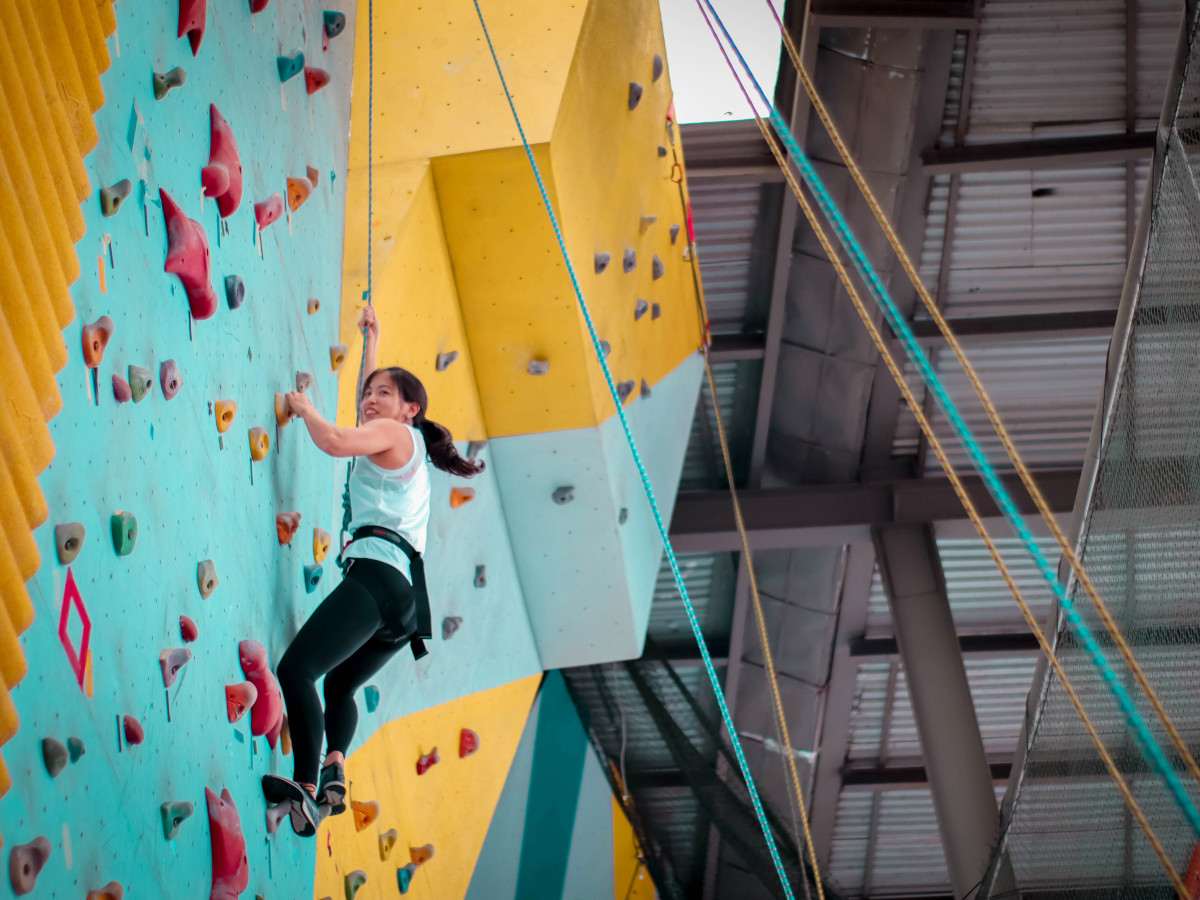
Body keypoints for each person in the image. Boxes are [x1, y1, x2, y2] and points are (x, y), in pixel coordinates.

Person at [262, 306, 484, 836]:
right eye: (370, 393)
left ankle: (307, 789)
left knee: (297, 671)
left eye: (383, 394)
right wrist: (373, 341)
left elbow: (337, 441)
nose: (370, 399)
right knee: (339, 687)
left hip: (378, 579)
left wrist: (304, 407)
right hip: (404, 604)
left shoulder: (397, 436)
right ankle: (335, 766)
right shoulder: (405, 448)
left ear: (410, 409)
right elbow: (367, 410)